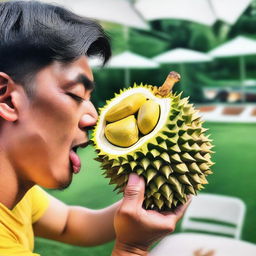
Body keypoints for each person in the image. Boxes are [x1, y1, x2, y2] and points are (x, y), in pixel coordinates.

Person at [0, 1, 190, 255]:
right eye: (76, 94)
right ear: (7, 98)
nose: (93, 117)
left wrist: (146, 202)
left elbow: (69, 222)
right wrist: (132, 248)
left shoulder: (18, 197)